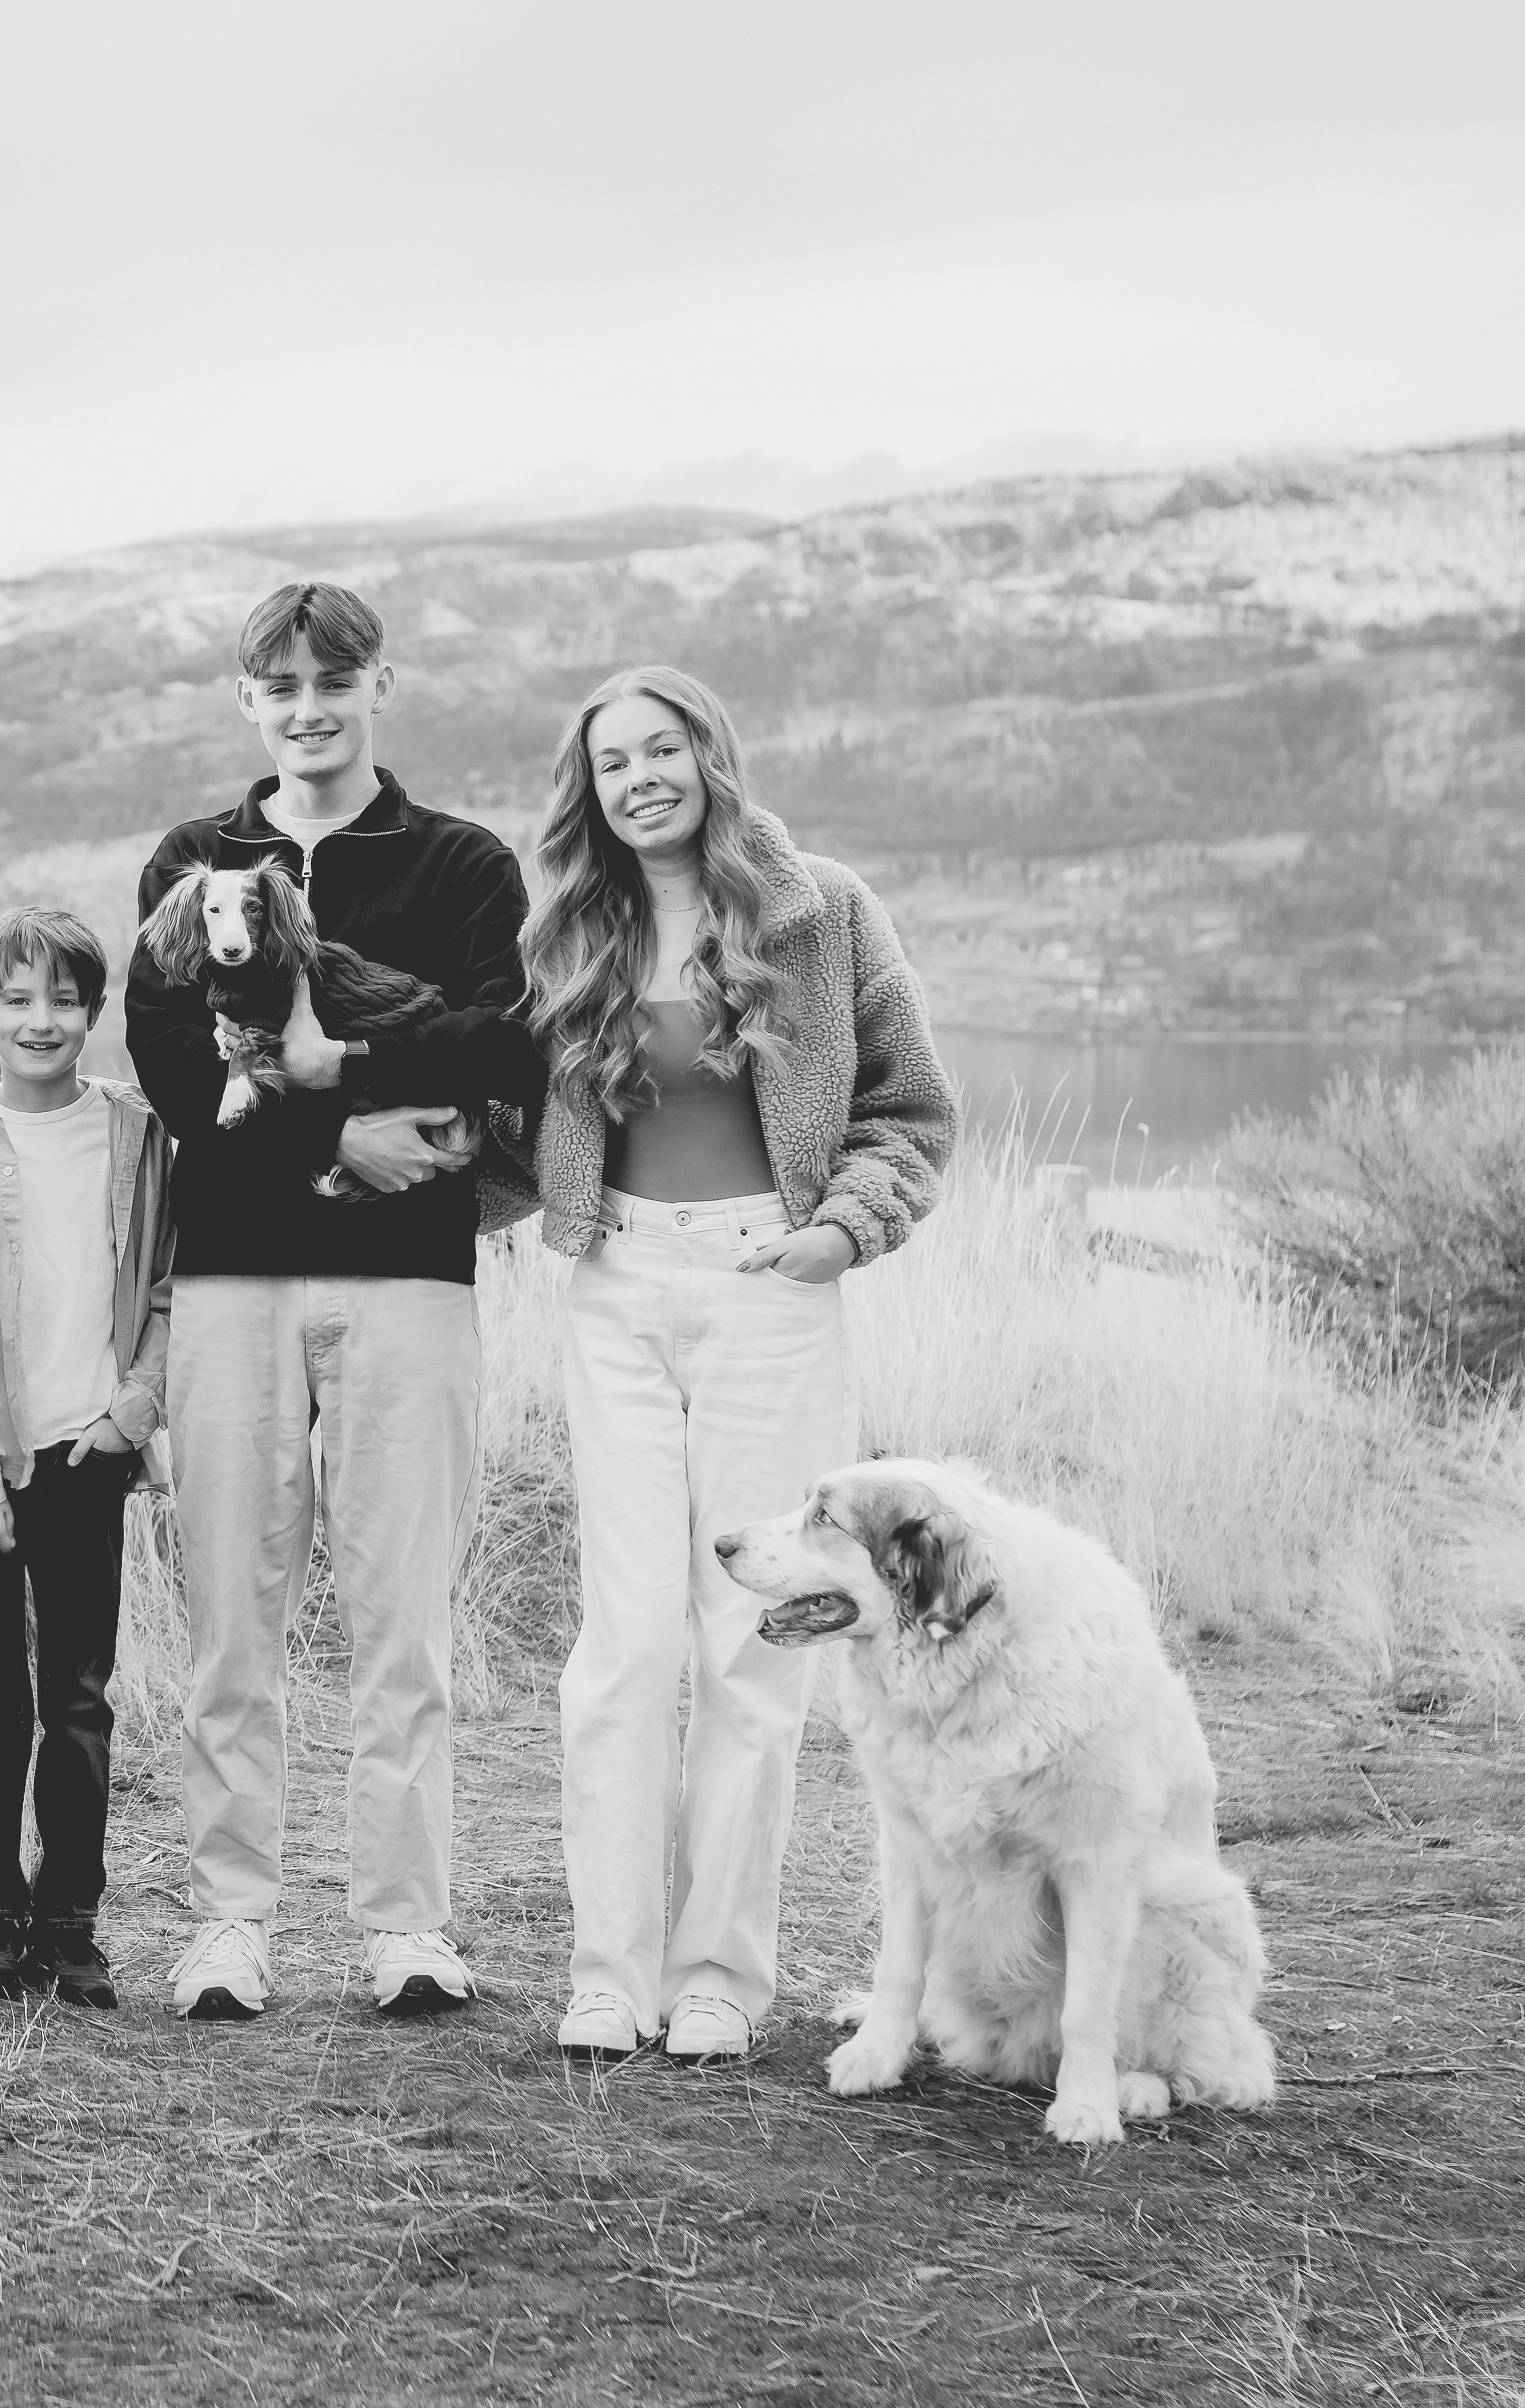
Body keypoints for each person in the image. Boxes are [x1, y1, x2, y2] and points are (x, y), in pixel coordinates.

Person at [297, 661, 955, 2061]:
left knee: (749, 1642)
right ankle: (610, 1971)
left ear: (710, 756)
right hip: (612, 1289)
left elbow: (908, 1107)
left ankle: (717, 1975)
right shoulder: (564, 936)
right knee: (626, 1641)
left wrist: (840, 1229)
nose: (639, 777)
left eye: (662, 749)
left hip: (771, 1285)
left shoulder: (824, 911)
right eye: (612, 761)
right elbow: (515, 1128)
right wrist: (378, 1171)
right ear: (586, 790)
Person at [126, 582, 531, 2023]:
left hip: (406, 1279)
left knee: (399, 1617)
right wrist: (343, 1130)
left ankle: (404, 1924)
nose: (308, 707)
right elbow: (171, 1059)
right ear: (248, 700)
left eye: (333, 679)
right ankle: (228, 1921)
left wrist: (336, 1073)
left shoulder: (462, 863)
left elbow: (499, 1041)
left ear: (378, 687)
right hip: (230, 1274)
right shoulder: (190, 862)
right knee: (228, 1619)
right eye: (281, 684)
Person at [0, 905, 172, 2008]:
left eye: (63, 998)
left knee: (77, 1700)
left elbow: (170, 1283)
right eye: (15, 998)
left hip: (88, 1455)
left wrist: (132, 1414)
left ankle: (69, 1921)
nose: (40, 1019)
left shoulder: (138, 1133)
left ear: (93, 1009)